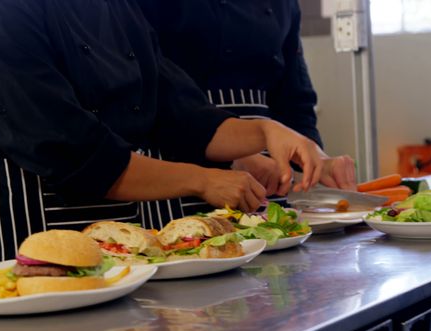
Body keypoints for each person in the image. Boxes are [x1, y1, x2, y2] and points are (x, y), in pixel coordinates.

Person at [0, 0, 323, 269]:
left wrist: (266, 131)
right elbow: (75, 154)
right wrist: (202, 180)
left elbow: (186, 117)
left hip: (113, 243)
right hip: (26, 234)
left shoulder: (119, 11)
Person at [137, 0, 357, 210]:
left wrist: (315, 160)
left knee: (271, 237)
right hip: (183, 157)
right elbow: (154, 93)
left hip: (269, 171)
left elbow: (296, 100)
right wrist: (233, 156)